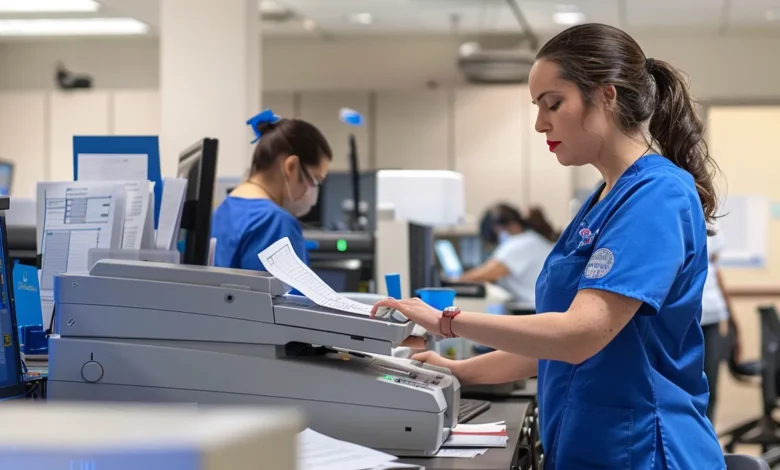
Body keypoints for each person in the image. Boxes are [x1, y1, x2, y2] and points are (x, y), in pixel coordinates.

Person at [372, 23, 725, 469]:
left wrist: (447, 322)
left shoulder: (656, 195)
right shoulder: (600, 199)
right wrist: (458, 371)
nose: (541, 124)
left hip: (646, 450)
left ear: (606, 96)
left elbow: (580, 335)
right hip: (593, 444)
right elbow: (550, 348)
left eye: (553, 104)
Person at [212, 109, 332, 271]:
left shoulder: (222, 211)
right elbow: (291, 296)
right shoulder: (275, 223)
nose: (313, 192)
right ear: (291, 167)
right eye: (315, 179)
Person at [460, 203, 553, 305]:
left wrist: (453, 281)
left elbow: (484, 274)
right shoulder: (531, 239)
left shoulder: (518, 244)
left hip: (532, 309)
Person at [700, 225, 738, 425]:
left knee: (711, 384)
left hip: (713, 316)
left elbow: (716, 272)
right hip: (688, 319)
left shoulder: (713, 228)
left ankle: (708, 438)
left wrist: (733, 320)